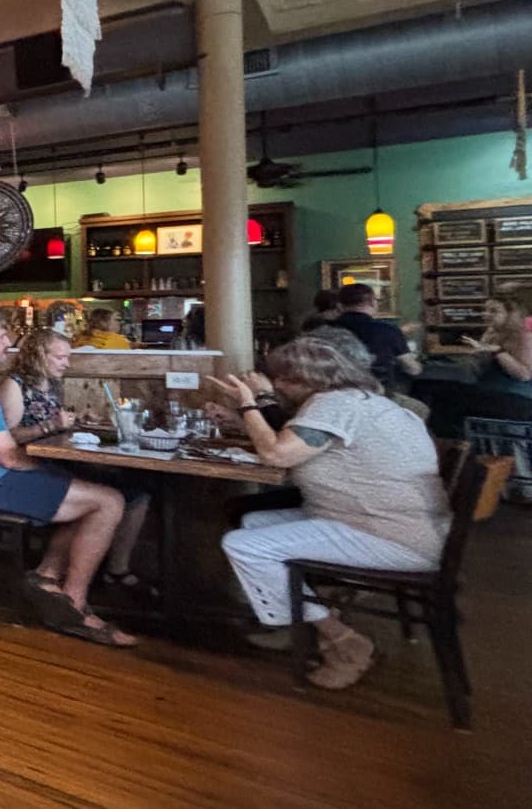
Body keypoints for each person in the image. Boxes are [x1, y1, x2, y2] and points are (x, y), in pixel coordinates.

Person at [209, 335, 448, 690]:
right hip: (399, 525)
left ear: (306, 379)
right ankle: (300, 622)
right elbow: (300, 448)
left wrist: (248, 405)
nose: (277, 386)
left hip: (390, 536)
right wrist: (245, 417)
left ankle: (342, 640)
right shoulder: (363, 401)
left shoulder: (333, 405)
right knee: (253, 521)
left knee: (243, 545)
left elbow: (277, 455)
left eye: (283, 379)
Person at [0, 307, 135, 647]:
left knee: (86, 492)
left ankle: (47, 577)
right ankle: (74, 606)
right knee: (109, 501)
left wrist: (56, 471)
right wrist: (50, 469)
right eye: (1, 337)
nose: (9, 342)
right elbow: (7, 455)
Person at [0, 330, 154, 596]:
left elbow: (54, 426)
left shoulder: (51, 383)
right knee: (108, 492)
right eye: (60, 357)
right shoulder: (14, 386)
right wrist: (50, 425)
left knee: (138, 490)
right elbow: (8, 437)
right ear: (39, 355)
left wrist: (78, 420)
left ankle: (114, 567)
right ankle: (61, 573)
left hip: (58, 459)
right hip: (28, 465)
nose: (66, 363)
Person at [327, 283, 420, 386]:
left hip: (332, 388)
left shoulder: (323, 329)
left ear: (340, 306)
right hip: (378, 389)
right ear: (372, 302)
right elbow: (412, 369)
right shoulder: (388, 330)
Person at [461, 295, 532, 398]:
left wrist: (498, 351)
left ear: (510, 314)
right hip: (489, 390)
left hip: (517, 396)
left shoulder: (525, 337)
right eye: (485, 310)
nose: (485, 314)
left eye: (494, 311)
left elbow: (525, 375)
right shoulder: (491, 332)